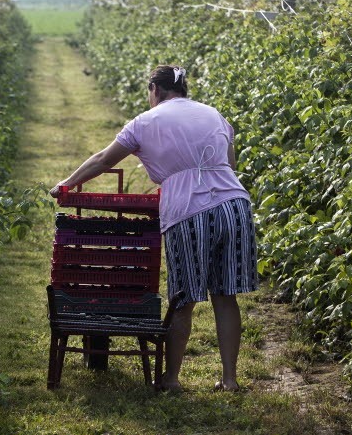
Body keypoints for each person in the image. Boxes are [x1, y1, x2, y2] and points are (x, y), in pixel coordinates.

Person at [49, 64, 258, 392]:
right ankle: (230, 379)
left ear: (155, 90)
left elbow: (104, 160)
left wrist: (68, 183)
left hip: (189, 211)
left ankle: (172, 378)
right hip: (234, 205)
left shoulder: (145, 122)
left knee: (183, 299)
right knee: (225, 295)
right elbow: (229, 165)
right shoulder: (214, 115)